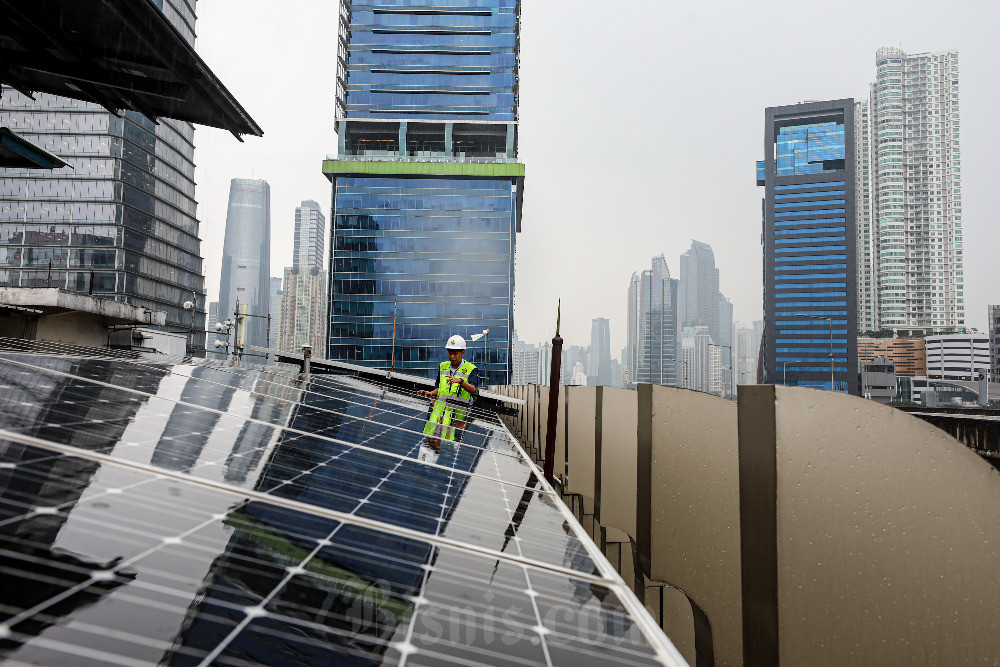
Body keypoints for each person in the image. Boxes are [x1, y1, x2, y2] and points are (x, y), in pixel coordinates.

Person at [417, 335, 479, 455]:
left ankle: (441, 455)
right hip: (438, 414)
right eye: (450, 353)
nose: (452, 356)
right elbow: (439, 388)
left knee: (448, 446)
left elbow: (473, 389)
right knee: (431, 439)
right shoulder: (443, 366)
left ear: (463, 353)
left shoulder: (471, 369)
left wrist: (461, 382)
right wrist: (430, 393)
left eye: (455, 353)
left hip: (456, 416)